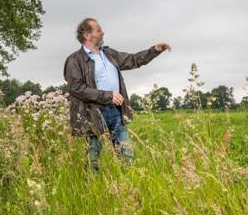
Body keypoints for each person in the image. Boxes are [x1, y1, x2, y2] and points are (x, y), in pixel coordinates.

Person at [63, 18, 171, 171]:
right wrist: (108, 95)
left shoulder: (109, 54)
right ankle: (92, 189)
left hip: (116, 111)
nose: (103, 32)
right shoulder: (74, 60)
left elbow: (134, 60)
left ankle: (129, 189)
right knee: (93, 158)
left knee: (127, 156)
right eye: (98, 30)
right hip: (93, 113)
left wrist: (155, 50)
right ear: (87, 35)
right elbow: (77, 88)